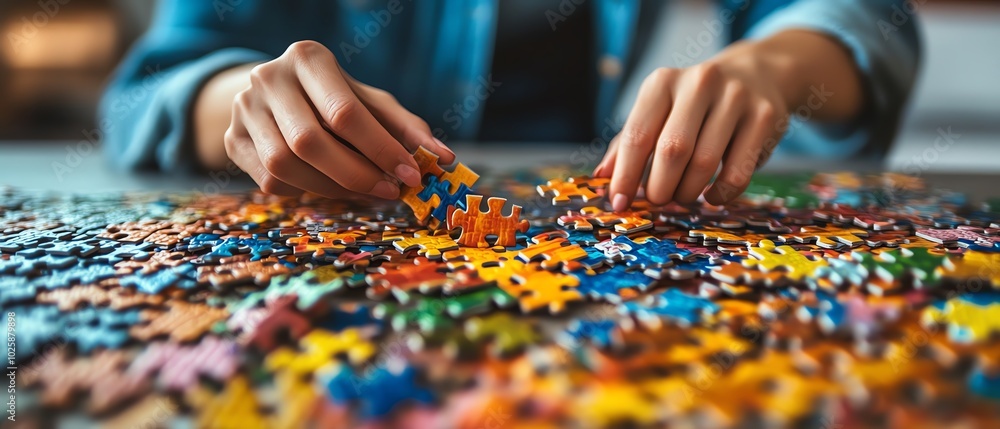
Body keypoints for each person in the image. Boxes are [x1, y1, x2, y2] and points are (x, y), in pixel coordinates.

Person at [100, 0, 920, 210]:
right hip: (346, 236)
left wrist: (771, 66)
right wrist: (239, 104)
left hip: (586, 237)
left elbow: (870, 19)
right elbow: (150, 85)